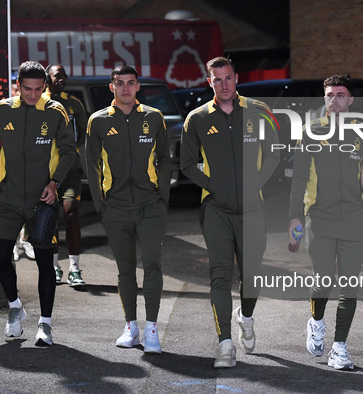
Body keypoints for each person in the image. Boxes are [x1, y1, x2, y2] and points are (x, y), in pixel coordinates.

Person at [0, 61, 76, 346]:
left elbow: (69, 152)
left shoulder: (55, 112)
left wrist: (55, 183)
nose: (33, 95)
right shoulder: (3, 110)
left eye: (38, 89)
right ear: (17, 86)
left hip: (42, 200)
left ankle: (45, 325)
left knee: (45, 263)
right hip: (9, 199)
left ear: (44, 87)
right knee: (1, 257)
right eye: (27, 89)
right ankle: (15, 307)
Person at [181, 56, 279, 368]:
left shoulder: (258, 111)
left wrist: (257, 184)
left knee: (252, 277)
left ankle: (245, 316)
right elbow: (185, 164)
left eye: (228, 78)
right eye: (217, 79)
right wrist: (213, 186)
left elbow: (274, 153)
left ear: (236, 78)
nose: (223, 85)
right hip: (216, 210)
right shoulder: (196, 118)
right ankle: (225, 344)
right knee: (219, 276)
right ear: (208, 81)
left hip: (252, 209)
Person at [288, 74, 363, 370]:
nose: (335, 100)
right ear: (324, 98)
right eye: (330, 94)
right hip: (320, 218)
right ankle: (316, 321)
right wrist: (295, 219)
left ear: (350, 99)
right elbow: (299, 178)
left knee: (349, 285)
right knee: (323, 280)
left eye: (341, 94)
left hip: (355, 219)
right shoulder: (310, 131)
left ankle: (340, 348)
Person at [86, 65, 170, 353]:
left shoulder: (153, 117)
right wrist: (101, 207)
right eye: (119, 83)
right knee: (125, 270)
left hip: (150, 206)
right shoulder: (97, 121)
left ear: (138, 87)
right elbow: (92, 166)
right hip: (116, 208)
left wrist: (163, 201)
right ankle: (131, 326)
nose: (125, 88)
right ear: (112, 87)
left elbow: (165, 160)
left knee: (153, 266)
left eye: (130, 83)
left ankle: (152, 330)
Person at [43, 63, 88, 287]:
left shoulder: (74, 104)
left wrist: (68, 154)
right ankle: (54, 266)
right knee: (50, 220)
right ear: (47, 78)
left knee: (71, 214)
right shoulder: (40, 102)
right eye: (57, 76)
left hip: (70, 172)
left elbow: (81, 135)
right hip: (46, 173)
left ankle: (75, 268)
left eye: (63, 75)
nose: (62, 79)